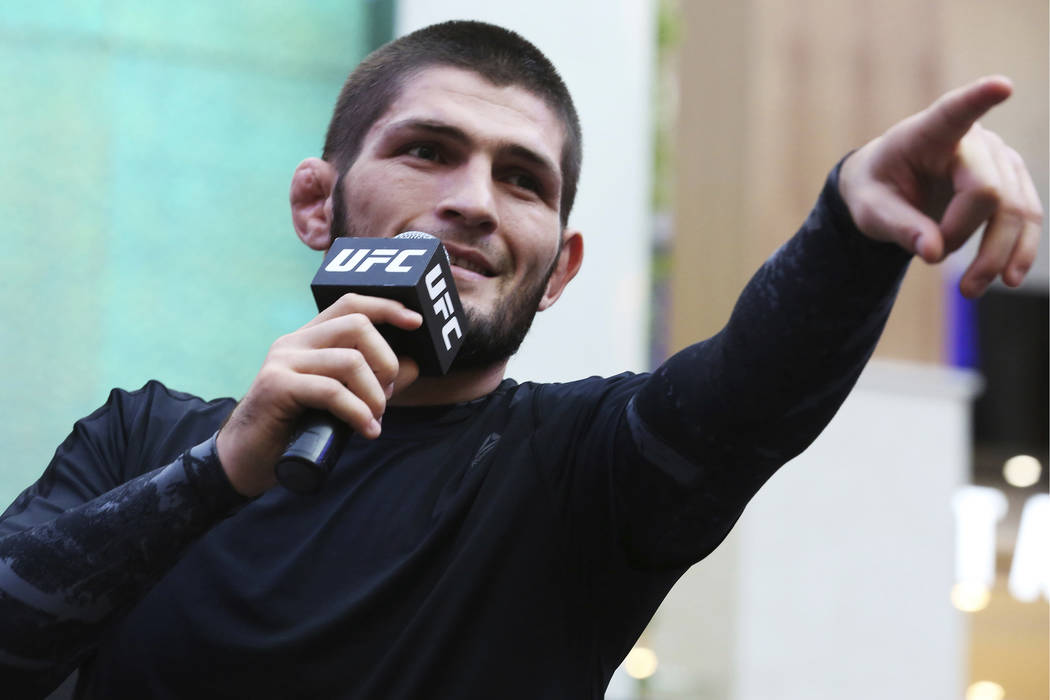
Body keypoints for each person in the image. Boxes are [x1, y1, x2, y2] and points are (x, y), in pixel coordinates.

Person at [0, 19, 1042, 700]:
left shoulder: (580, 473)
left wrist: (852, 226)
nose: (473, 200)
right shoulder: (141, 438)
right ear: (320, 202)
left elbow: (744, 393)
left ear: (559, 269)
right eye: (426, 151)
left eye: (524, 181)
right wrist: (222, 470)